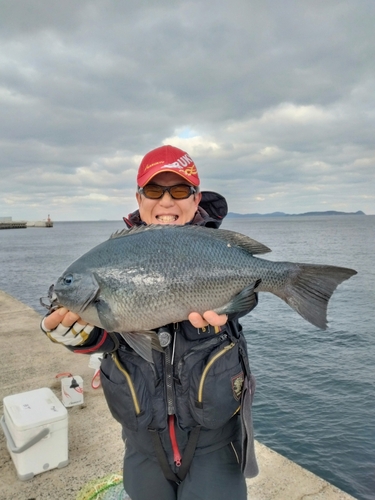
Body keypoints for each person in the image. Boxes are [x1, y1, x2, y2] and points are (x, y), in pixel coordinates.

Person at [41, 145, 258, 500]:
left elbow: (244, 293)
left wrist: (231, 306)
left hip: (214, 441)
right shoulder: (117, 253)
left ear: (196, 197)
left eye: (180, 191)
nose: (167, 202)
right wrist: (77, 335)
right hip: (143, 442)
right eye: (155, 191)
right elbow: (108, 336)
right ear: (139, 198)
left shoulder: (214, 245)